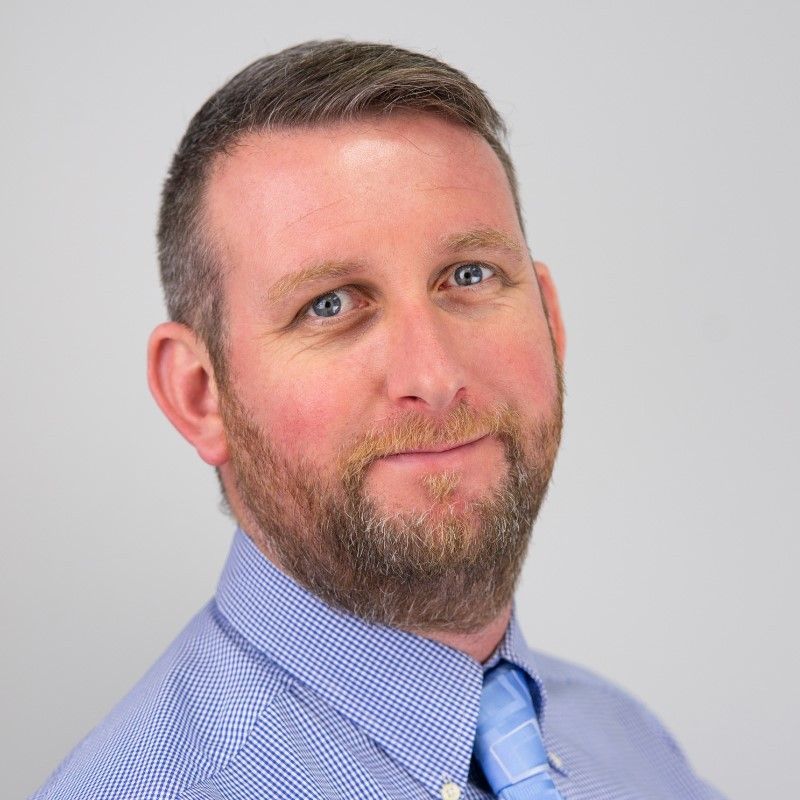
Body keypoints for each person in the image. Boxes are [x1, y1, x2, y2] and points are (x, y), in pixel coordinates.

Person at [32, 40, 725, 800]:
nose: (433, 377)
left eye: (469, 276)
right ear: (200, 395)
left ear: (551, 320)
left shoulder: (631, 750)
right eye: (329, 305)